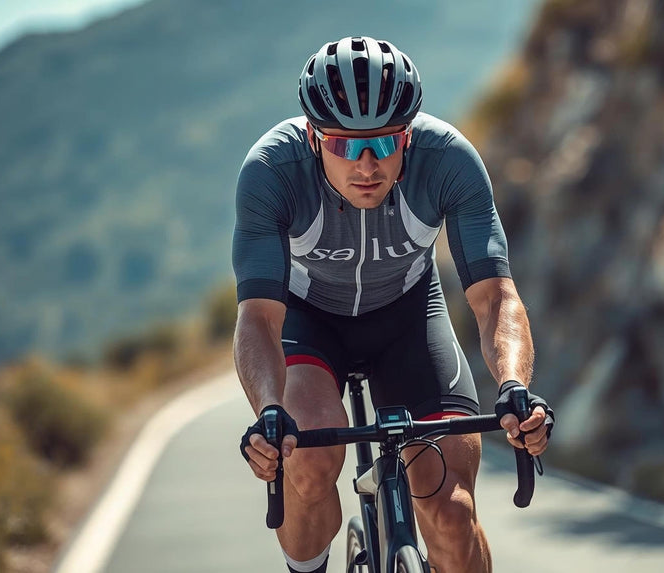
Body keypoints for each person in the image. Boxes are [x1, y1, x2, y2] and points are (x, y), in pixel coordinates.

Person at [234, 36, 553, 573]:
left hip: (409, 319)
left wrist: (514, 386)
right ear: (313, 138)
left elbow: (495, 296)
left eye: (383, 145)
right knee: (308, 463)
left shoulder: (448, 161)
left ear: (407, 136)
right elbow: (259, 317)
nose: (365, 165)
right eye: (343, 145)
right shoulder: (272, 171)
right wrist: (269, 411)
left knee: (452, 514)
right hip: (310, 323)